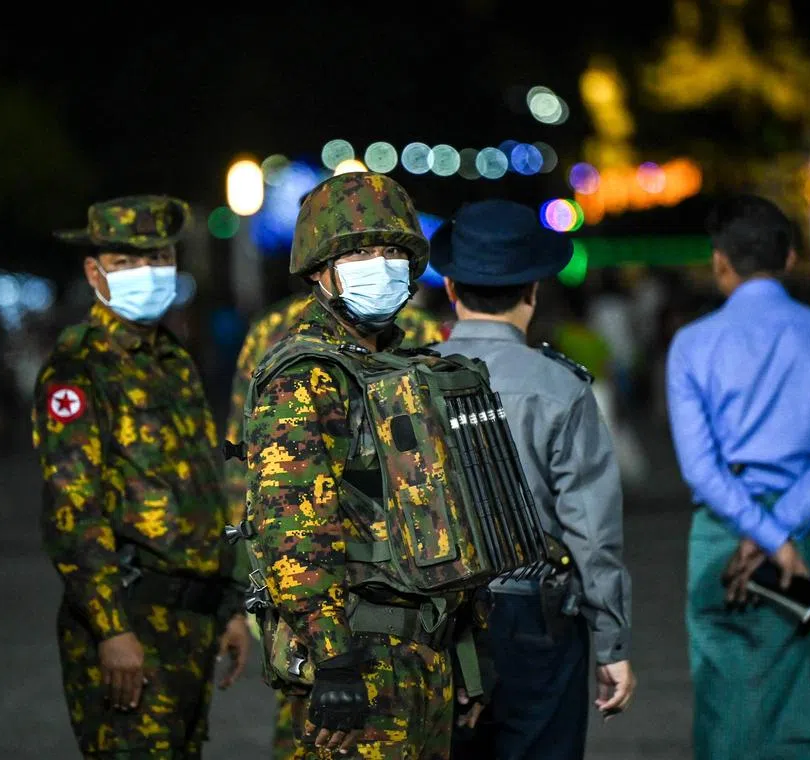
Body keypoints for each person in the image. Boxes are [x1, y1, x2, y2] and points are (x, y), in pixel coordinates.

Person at [239, 172, 503, 759]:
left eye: (392, 252)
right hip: (358, 660)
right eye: (359, 252)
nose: (379, 266)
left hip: (427, 656)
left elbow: (449, 519)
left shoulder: (415, 367)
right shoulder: (303, 375)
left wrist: (470, 641)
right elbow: (293, 533)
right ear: (318, 269)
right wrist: (332, 660)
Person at [33, 195, 252, 758]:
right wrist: (110, 629)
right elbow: (72, 511)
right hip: (132, 622)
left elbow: (204, 484)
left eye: (159, 259)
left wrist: (226, 605)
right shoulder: (79, 367)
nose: (148, 275)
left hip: (192, 622)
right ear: (94, 272)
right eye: (128, 263)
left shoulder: (172, 358)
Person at [432, 200, 635, 760]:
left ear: (450, 287)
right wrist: (612, 642)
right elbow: (591, 529)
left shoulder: (408, 380)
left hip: (432, 616)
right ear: (534, 290)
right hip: (536, 618)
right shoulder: (562, 388)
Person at [666, 195, 810, 760]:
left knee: (725, 700)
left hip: (723, 534)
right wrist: (780, 533)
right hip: (807, 532)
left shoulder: (691, 345)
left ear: (719, 261)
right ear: (791, 258)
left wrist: (759, 533)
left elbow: (700, 468)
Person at [224, 282, 443, 760]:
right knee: (309, 727)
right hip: (333, 612)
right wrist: (244, 587)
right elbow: (256, 477)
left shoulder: (418, 333)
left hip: (422, 618)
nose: (378, 266)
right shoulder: (280, 336)